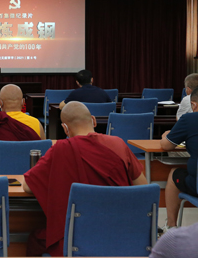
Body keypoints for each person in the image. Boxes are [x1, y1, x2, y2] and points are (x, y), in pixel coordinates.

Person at [21, 101, 147, 257]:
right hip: (119, 233)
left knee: (36, 239)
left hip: (76, 238)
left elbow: (27, 186)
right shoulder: (118, 144)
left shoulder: (60, 149)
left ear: (65, 128)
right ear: (93, 120)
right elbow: (143, 188)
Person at [0, 84, 45, 172]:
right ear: (23, 102)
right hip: (29, 175)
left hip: (0, 175)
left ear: (1, 103)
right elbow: (44, 152)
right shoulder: (36, 123)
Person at [159, 88, 198, 232]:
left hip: (196, 184)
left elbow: (166, 145)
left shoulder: (189, 119)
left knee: (175, 173)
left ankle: (171, 227)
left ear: (193, 105)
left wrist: (166, 136)